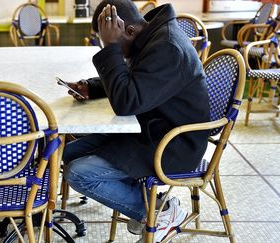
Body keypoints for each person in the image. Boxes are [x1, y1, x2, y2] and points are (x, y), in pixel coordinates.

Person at [62, 0, 210, 242]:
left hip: (174, 144)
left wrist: (109, 46)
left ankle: (159, 212)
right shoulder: (151, 36)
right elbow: (138, 80)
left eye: (116, 44)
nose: (117, 52)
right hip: (151, 129)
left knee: (79, 173)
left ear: (129, 31)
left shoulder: (167, 47)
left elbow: (126, 103)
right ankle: (147, 201)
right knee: (69, 153)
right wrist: (93, 86)